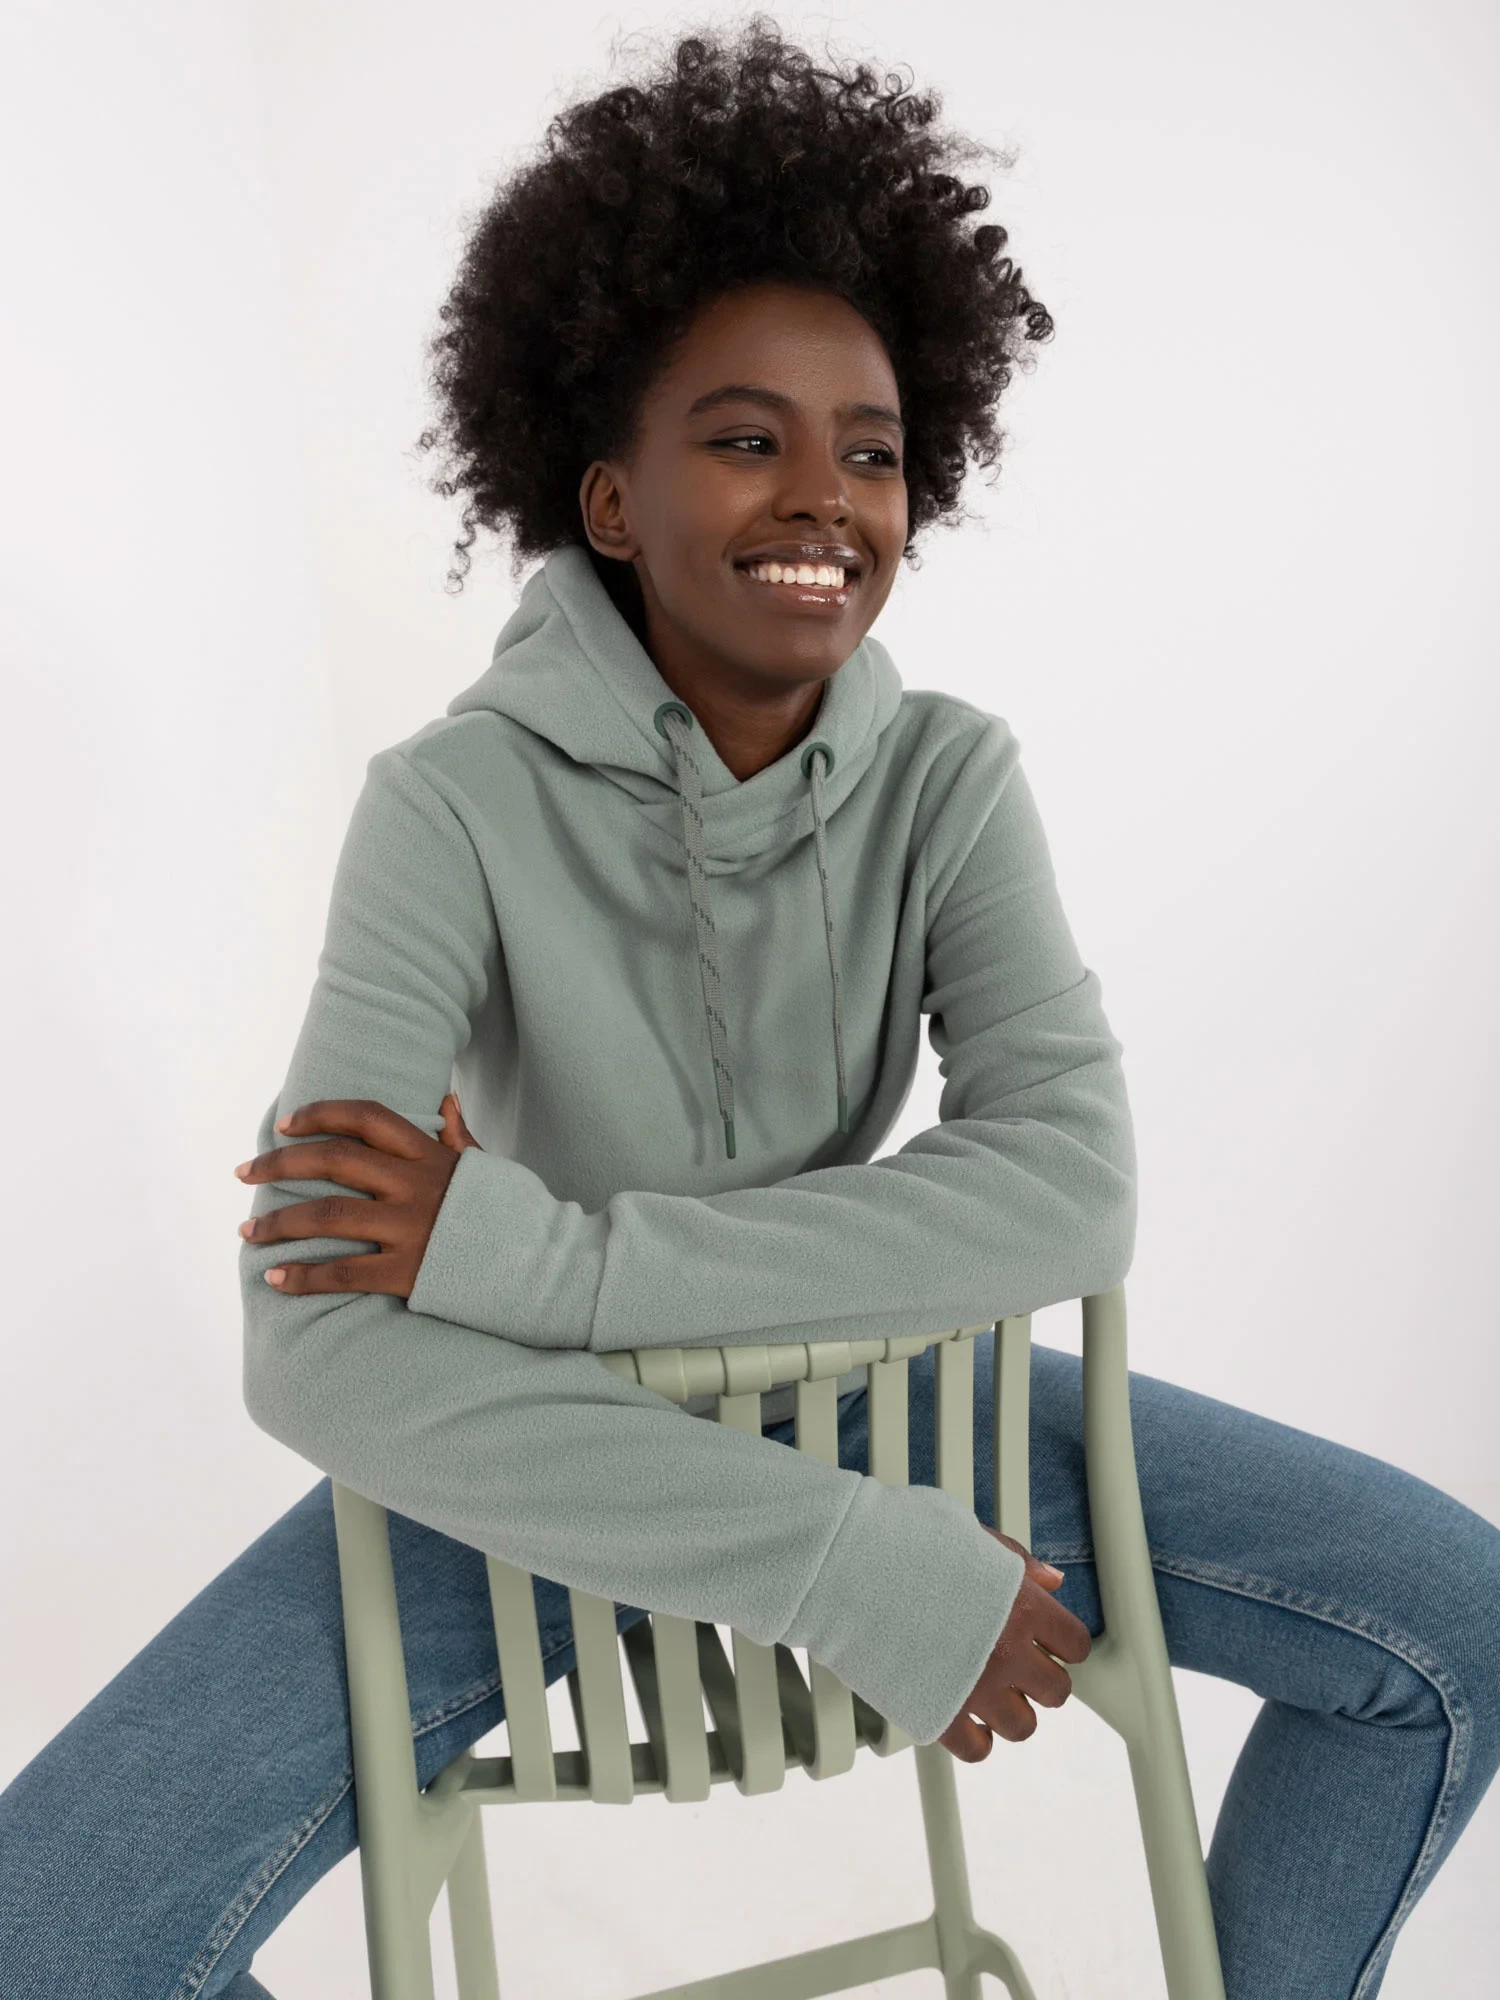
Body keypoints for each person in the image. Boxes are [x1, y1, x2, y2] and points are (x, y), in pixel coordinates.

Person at [2, 18, 1496, 1999]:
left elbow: (1071, 1188)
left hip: (902, 1412)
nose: (825, 499)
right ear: (611, 502)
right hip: (550, 1467)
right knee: (44, 1917)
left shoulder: (950, 779)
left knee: (1452, 1619)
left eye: (871, 451)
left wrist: (536, 1259)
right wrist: (840, 1558)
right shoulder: (446, 808)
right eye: (744, 438)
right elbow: (315, 1339)